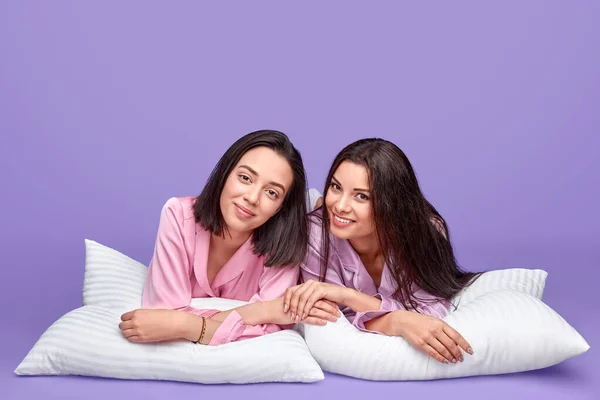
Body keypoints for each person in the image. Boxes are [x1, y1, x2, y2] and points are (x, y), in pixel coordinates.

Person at [119, 130, 339, 346]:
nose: (252, 198)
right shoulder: (177, 215)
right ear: (225, 173)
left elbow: (275, 330)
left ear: (280, 207)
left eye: (272, 192)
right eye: (245, 178)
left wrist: (187, 325)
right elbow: (163, 314)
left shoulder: (285, 244)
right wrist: (263, 311)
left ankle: (311, 200)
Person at [284, 138, 482, 364]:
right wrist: (395, 321)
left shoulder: (428, 232)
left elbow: (431, 308)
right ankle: (315, 199)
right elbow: (330, 318)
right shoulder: (313, 236)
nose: (340, 205)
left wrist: (349, 296)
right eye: (336, 187)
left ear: (390, 202)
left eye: (361, 196)